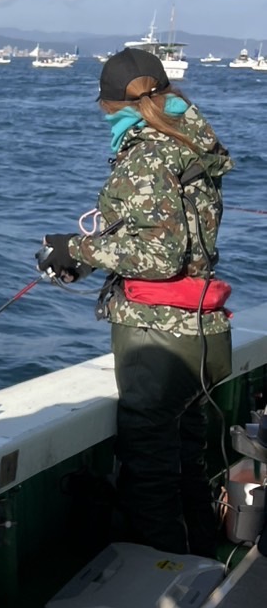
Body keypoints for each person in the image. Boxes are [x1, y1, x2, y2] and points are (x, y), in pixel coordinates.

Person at [38, 46, 233, 557]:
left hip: (159, 340)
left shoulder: (145, 156)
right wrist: (89, 257)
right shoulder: (190, 140)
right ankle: (204, 571)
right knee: (188, 465)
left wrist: (75, 249)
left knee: (150, 479)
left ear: (109, 105)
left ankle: (165, 584)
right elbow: (170, 237)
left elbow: (160, 255)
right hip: (203, 334)